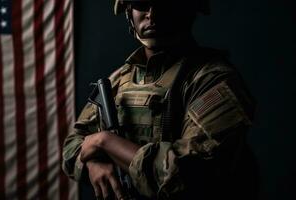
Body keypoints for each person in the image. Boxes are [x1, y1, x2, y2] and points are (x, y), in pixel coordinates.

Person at [62, 0, 258, 199]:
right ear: (129, 11)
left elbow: (190, 172)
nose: (152, 15)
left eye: (164, 3)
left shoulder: (212, 80)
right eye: (141, 3)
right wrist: (93, 162)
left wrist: (104, 142)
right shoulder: (118, 80)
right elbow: (72, 145)